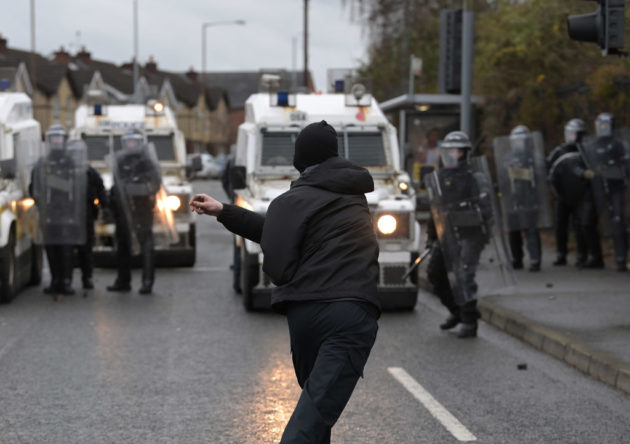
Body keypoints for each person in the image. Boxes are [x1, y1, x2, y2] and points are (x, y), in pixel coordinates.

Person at [191, 120, 379, 443]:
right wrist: (223, 211)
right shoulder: (353, 193)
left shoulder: (289, 203)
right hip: (350, 314)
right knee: (312, 420)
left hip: (304, 318)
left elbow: (276, 250)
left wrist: (222, 211)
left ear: (300, 160)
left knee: (315, 417)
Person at [424, 131, 494, 339]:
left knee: (464, 274)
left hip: (471, 233)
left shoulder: (475, 178)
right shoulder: (440, 177)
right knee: (435, 273)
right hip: (447, 233)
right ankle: (457, 312)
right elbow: (435, 210)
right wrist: (431, 236)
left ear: (465, 153)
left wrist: (469, 208)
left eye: (457, 150)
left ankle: (470, 321)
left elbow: (486, 207)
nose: (453, 155)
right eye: (449, 151)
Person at [30, 124, 86, 296]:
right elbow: (35, 186)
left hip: (67, 211)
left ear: (64, 141)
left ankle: (67, 281)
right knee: (52, 248)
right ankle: (55, 280)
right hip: (49, 211)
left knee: (66, 248)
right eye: (52, 139)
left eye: (58, 139)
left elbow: (76, 187)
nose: (55, 142)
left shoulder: (70, 162)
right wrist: (39, 200)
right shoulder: (43, 162)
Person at [107, 131, 162, 294]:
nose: (130, 145)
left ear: (139, 143)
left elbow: (155, 183)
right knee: (122, 244)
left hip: (142, 209)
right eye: (128, 142)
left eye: (134, 142)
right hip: (123, 209)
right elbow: (116, 183)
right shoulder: (121, 160)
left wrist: (135, 187)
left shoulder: (147, 162)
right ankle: (123, 281)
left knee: (146, 245)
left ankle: (147, 282)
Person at [547, 118, 603, 268]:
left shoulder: (586, 151)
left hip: (581, 195)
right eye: (573, 134)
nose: (575, 138)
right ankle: (561, 254)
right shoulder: (559, 151)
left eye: (578, 135)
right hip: (561, 195)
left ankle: (582, 255)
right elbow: (549, 168)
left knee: (581, 225)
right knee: (560, 225)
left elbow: (595, 170)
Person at [500, 125, 543, 272]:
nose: (519, 144)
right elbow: (503, 176)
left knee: (530, 229)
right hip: (512, 198)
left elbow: (539, 176)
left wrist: (519, 171)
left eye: (521, 141)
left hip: (529, 197)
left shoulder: (533, 156)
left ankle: (535, 259)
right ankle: (517, 259)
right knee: (514, 230)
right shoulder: (508, 156)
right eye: (516, 141)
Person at [590, 113, 627, 271]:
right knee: (596, 221)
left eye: (606, 125)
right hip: (599, 189)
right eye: (601, 125)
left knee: (618, 220)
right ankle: (597, 257)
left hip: (616, 188)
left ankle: (621, 258)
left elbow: (626, 164)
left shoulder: (618, 144)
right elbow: (589, 166)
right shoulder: (593, 146)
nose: (603, 128)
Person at [75, 161, 109, 289]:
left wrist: (105, 206)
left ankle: (87, 277)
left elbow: (99, 188)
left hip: (85, 214)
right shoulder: (66, 169)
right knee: (65, 250)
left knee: (86, 248)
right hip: (67, 215)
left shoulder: (88, 171)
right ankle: (63, 280)